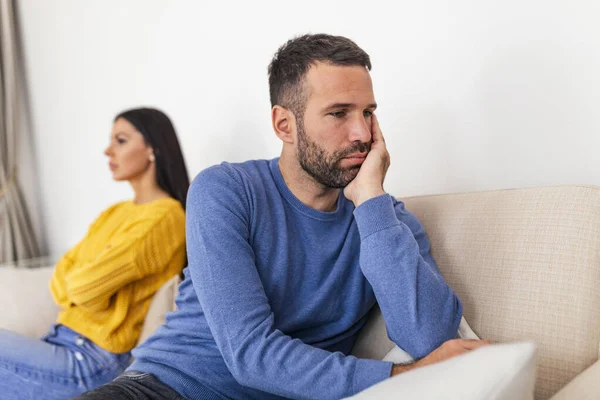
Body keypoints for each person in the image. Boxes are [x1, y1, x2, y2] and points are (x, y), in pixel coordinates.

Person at [76, 35, 489, 400]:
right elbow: (250, 355)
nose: (362, 134)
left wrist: (371, 200)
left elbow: (432, 341)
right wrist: (402, 379)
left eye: (368, 113)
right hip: (167, 387)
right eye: (338, 113)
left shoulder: (382, 217)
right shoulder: (225, 190)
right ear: (284, 124)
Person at [0, 107, 190, 400]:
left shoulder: (166, 218)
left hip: (92, 360)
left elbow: (81, 287)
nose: (107, 151)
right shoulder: (114, 213)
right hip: (59, 342)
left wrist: (83, 279)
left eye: (121, 140)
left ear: (153, 148)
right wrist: (86, 279)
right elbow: (62, 278)